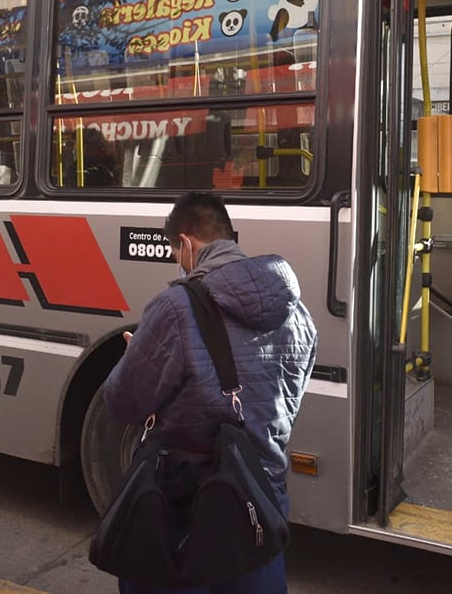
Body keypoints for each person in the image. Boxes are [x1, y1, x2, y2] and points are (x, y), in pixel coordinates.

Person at [102, 191, 318, 594]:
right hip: (263, 496)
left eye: (174, 251)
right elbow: (290, 395)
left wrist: (138, 356)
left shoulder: (175, 308)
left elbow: (121, 403)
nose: (177, 262)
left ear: (185, 243)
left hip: (190, 504)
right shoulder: (298, 312)